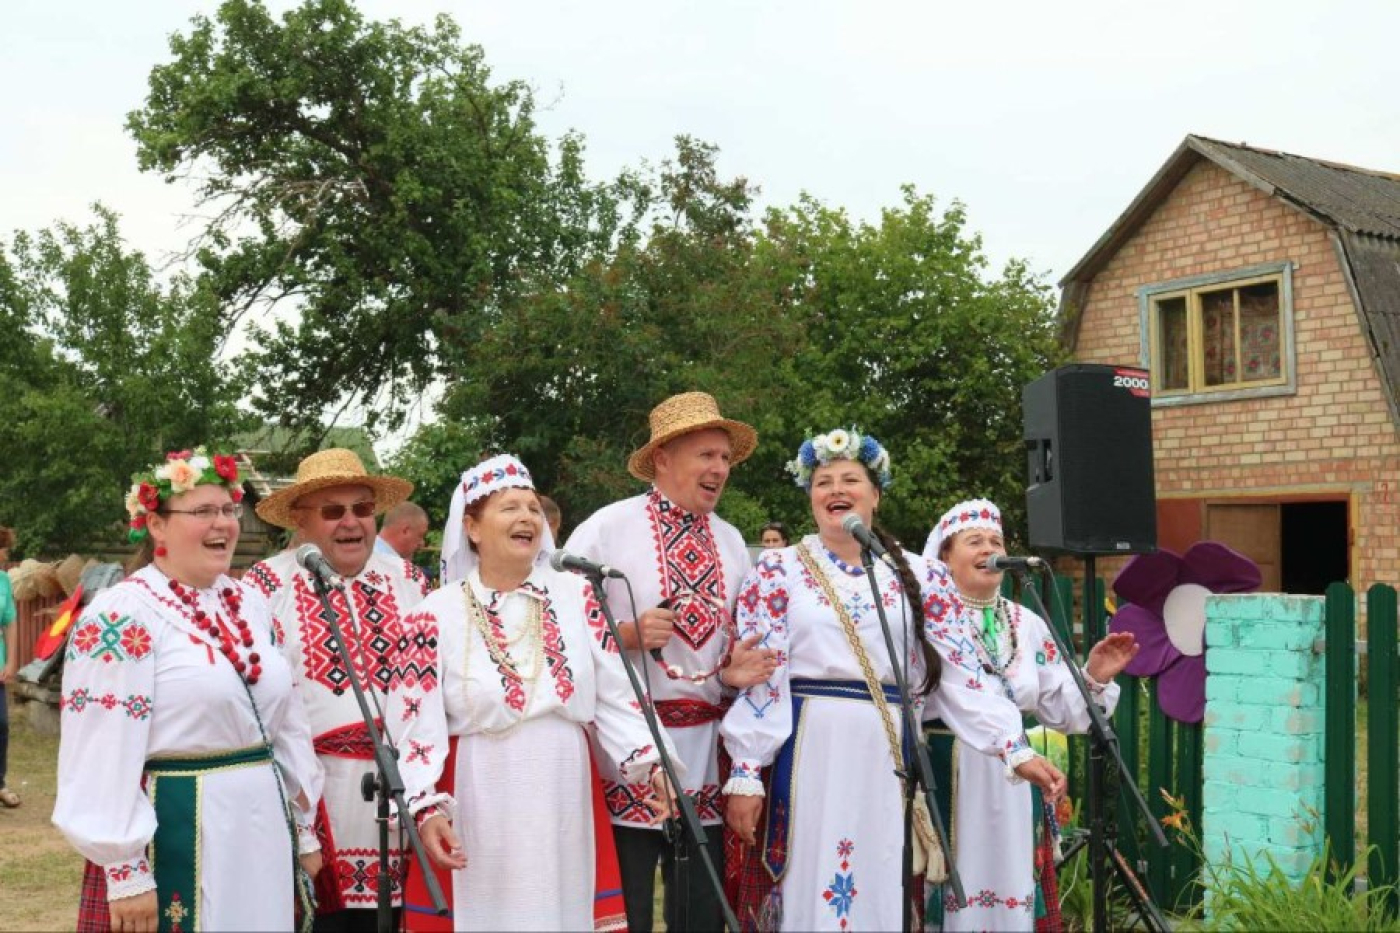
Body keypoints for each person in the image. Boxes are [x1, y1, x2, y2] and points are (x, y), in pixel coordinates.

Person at [386, 454, 679, 931]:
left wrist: (652, 763)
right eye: (509, 507)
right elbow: (415, 722)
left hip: (563, 782)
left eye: (532, 508)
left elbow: (615, 692)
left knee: (558, 908)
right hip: (481, 787)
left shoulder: (579, 597)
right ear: (473, 529)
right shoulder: (433, 613)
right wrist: (424, 805)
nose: (527, 517)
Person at [52, 447, 323, 932]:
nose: (222, 524)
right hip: (182, 824)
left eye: (227, 510)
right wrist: (125, 868)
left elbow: (288, 724)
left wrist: (303, 829)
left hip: (260, 824)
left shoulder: (250, 602)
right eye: (202, 512)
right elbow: (99, 748)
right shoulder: (121, 615)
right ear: (156, 525)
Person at [565, 391, 779, 932]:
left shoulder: (731, 542)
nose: (719, 468)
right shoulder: (605, 530)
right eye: (706, 454)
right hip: (628, 748)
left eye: (725, 458)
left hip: (705, 749)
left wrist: (732, 672)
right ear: (663, 457)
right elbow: (560, 633)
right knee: (628, 906)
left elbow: (736, 647)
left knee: (699, 909)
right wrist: (627, 635)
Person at [920, 499, 1139, 931]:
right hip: (950, 768)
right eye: (974, 541)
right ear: (945, 556)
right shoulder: (929, 619)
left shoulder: (1026, 623)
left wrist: (1092, 676)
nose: (989, 549)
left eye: (996, 541)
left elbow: (1062, 708)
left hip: (1015, 783)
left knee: (1011, 886)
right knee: (952, 885)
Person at [247, 448, 432, 930]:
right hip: (311, 794)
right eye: (333, 511)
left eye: (363, 509)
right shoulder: (265, 587)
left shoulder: (413, 583)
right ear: (301, 521)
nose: (351, 522)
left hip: (397, 796)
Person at [0, 526, 18, 809]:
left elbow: (11, 622)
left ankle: (0, 783)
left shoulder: (4, 581)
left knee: (1, 724)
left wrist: (12, 660)